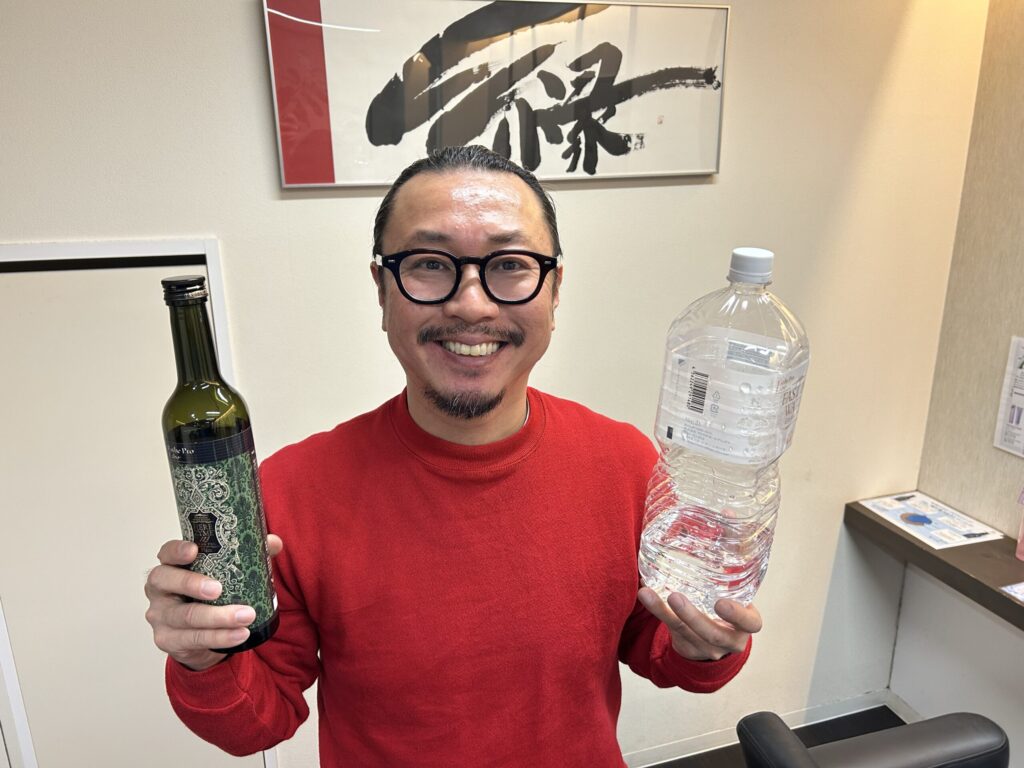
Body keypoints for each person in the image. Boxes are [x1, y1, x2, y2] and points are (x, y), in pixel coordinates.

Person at [144, 145, 762, 767]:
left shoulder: (625, 463)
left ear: (554, 291)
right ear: (382, 290)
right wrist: (202, 658)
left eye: (511, 264)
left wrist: (707, 638)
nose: (471, 304)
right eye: (429, 264)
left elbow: (662, 648)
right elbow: (257, 722)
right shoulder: (292, 490)